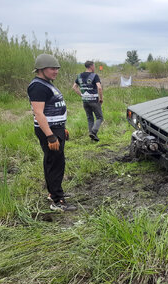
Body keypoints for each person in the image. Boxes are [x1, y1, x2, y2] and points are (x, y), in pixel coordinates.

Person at [28, 54, 76, 212]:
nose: (56, 71)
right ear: (41, 69)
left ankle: (53, 193)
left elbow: (55, 108)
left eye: (57, 68)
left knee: (54, 161)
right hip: (49, 131)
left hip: (56, 128)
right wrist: (50, 136)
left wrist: (62, 128)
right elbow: (39, 114)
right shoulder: (38, 86)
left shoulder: (46, 83)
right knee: (55, 164)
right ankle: (57, 201)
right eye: (52, 68)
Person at [72, 61, 104, 141]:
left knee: (90, 118)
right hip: (94, 100)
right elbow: (99, 87)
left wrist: (82, 95)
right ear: (91, 66)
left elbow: (74, 87)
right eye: (94, 66)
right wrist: (101, 98)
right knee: (99, 117)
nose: (95, 67)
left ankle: (92, 137)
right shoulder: (94, 75)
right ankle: (93, 132)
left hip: (85, 101)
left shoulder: (79, 76)